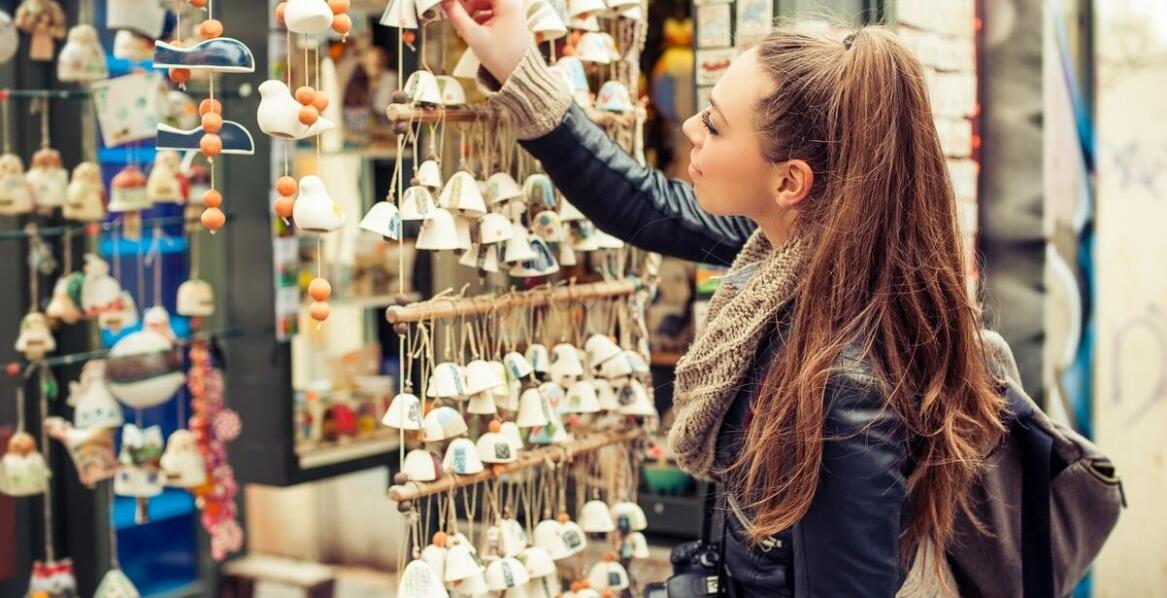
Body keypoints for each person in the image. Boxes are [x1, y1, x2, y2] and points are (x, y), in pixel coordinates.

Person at [440, 1, 1010, 595]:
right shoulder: (792, 249)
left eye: (713, 124)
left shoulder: (845, 384)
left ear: (790, 181)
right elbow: (643, 205)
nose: (688, 127)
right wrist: (516, 67)